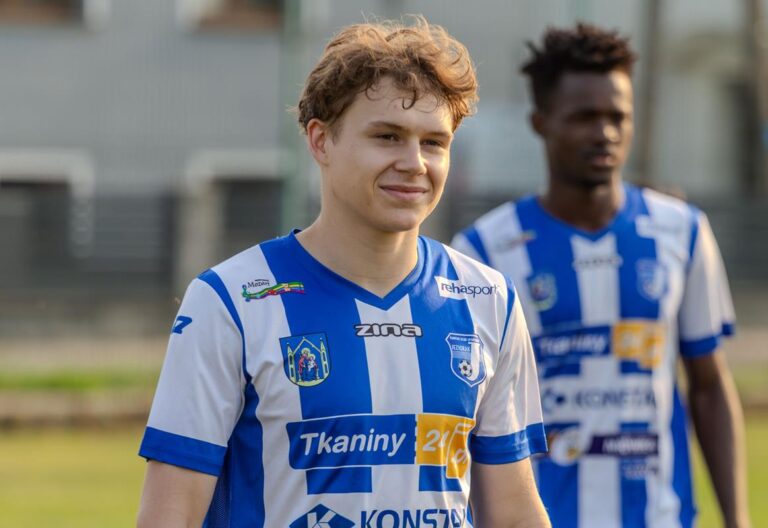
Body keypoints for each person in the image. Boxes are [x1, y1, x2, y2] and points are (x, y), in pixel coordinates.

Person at [137, 16, 551, 528]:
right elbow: (170, 516)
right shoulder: (230, 301)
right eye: (387, 136)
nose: (414, 162)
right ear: (320, 141)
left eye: (433, 143)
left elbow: (513, 514)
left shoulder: (488, 299)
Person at [452, 23, 751, 528]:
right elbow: (467, 412)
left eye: (618, 116)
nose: (605, 132)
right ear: (541, 122)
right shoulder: (483, 253)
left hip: (658, 517)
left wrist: (737, 519)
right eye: (584, 117)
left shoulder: (682, 231)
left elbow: (708, 385)